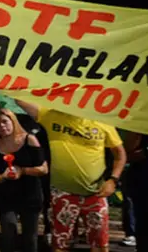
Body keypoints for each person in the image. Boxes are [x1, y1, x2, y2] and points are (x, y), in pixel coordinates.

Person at [15, 99, 126, 252]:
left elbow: (120, 155)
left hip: (95, 194)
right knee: (60, 244)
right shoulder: (53, 116)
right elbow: (20, 100)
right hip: (63, 193)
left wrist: (113, 180)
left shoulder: (102, 122)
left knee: (100, 244)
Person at [0, 109, 48, 252]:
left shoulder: (29, 140)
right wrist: (3, 176)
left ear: (13, 121)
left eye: (5, 122)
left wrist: (23, 171)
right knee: (8, 234)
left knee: (30, 238)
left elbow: (44, 169)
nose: (2, 126)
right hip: (6, 197)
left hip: (30, 195)